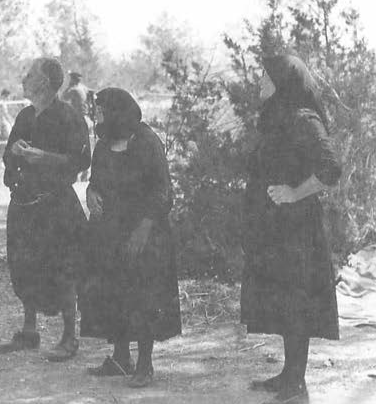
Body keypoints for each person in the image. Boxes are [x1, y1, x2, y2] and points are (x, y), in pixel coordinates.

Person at [241, 55, 342, 404]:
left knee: (296, 302)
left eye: (265, 78)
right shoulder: (277, 120)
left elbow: (331, 169)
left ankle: (296, 383)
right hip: (274, 229)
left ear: (283, 82)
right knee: (283, 301)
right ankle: (288, 374)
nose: (259, 83)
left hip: (298, 231)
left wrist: (293, 193)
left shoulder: (303, 119)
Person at [79, 87, 181, 388]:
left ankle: (145, 364)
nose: (96, 115)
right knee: (113, 293)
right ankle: (121, 358)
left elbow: (164, 192)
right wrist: (91, 193)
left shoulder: (147, 142)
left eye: (100, 110)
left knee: (143, 297)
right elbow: (95, 181)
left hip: (146, 232)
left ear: (116, 112)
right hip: (110, 232)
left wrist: (144, 229)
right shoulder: (103, 144)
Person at [0, 58, 91, 361]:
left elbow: (80, 161)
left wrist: (45, 158)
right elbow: (8, 156)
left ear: (45, 83)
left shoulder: (69, 117)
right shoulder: (25, 115)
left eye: (30, 74)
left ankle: (70, 337)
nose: (24, 78)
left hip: (55, 207)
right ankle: (29, 332)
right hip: (24, 206)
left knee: (62, 268)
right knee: (24, 266)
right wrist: (13, 153)